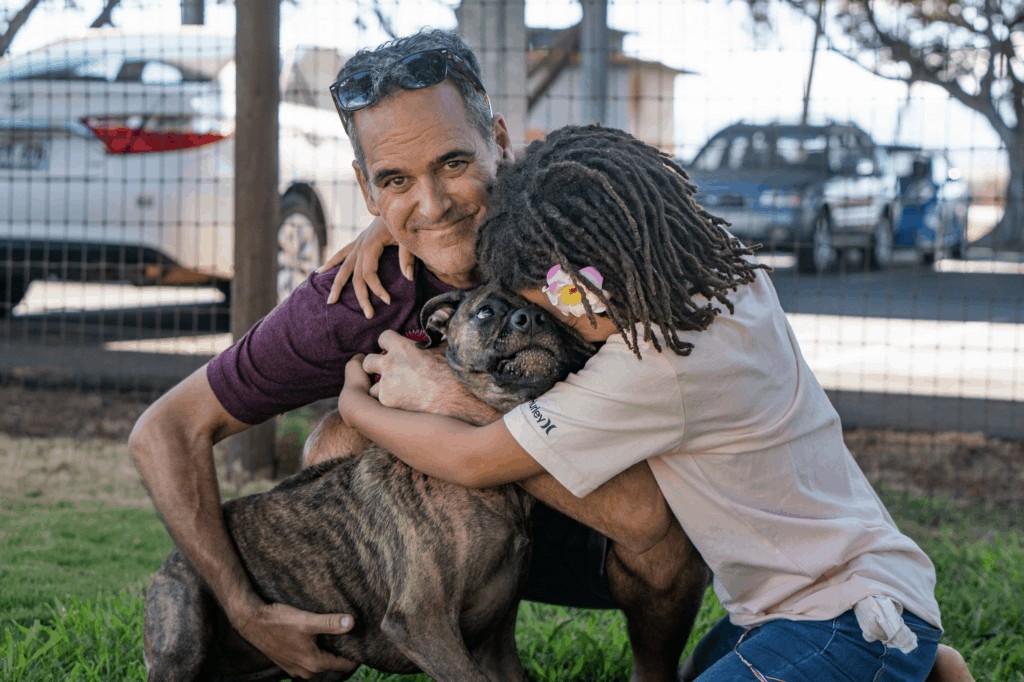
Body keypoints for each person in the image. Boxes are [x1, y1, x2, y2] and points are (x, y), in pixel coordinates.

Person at [130, 30, 704, 682]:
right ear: (367, 189)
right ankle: (401, 625)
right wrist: (242, 607)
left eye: (453, 163)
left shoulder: (571, 236)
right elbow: (164, 431)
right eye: (396, 181)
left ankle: (656, 674)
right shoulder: (355, 298)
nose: (432, 204)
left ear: (502, 142)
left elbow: (645, 512)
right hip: (445, 544)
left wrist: (450, 397)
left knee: (668, 529)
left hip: (601, 520)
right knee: (339, 440)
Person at [337, 124, 957, 680]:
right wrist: (385, 225)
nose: (565, 325)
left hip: (837, 618)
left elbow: (475, 459)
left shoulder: (656, 365)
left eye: (564, 308)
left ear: (600, 280)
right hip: (819, 598)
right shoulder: (729, 278)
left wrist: (362, 409)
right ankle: (922, 664)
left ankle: (895, 660)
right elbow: (554, 176)